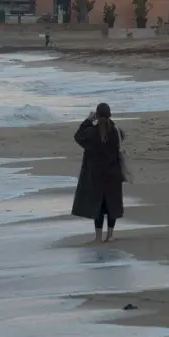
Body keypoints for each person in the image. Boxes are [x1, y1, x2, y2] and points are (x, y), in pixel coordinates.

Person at [72, 103, 127, 243]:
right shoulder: (115, 132)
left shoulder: (91, 133)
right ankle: (110, 235)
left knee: (99, 206)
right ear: (109, 115)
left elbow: (78, 136)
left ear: (97, 115)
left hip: (96, 175)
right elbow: (122, 137)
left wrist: (89, 120)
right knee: (112, 205)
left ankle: (98, 237)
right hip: (113, 174)